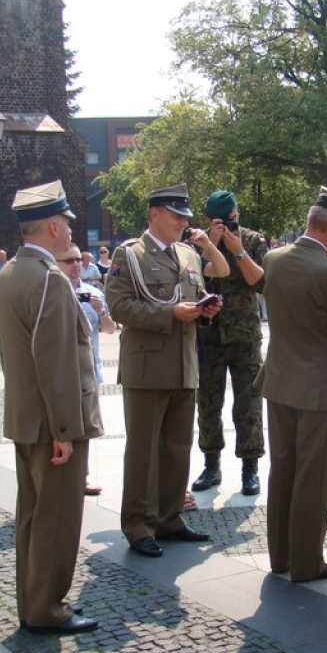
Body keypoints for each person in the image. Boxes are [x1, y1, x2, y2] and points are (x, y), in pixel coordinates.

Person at [0, 180, 102, 634]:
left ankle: (30, 601)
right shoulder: (49, 279)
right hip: (54, 423)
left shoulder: (9, 273)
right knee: (55, 521)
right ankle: (47, 608)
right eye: (68, 225)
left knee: (32, 517)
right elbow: (55, 362)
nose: (71, 234)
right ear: (54, 227)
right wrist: (62, 429)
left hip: (25, 416)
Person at [105, 183, 229, 558]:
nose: (182, 223)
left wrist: (203, 311)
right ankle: (138, 525)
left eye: (185, 217)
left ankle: (170, 518)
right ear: (154, 214)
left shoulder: (189, 256)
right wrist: (169, 313)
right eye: (176, 216)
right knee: (144, 449)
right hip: (146, 366)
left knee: (177, 446)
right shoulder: (129, 255)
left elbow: (193, 298)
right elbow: (119, 307)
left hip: (183, 364)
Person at [254, 187, 327, 582]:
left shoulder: (274, 258)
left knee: (282, 469)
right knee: (312, 476)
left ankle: (280, 556)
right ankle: (306, 562)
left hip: (279, 380)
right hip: (317, 387)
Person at [191, 190, 268, 497]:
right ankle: (212, 465)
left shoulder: (253, 240)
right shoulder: (197, 243)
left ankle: (250, 468)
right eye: (220, 220)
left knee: (248, 403)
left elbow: (262, 284)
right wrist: (211, 244)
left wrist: (238, 251)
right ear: (209, 219)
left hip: (244, 336)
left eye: (231, 218)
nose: (228, 224)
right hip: (208, 335)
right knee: (208, 403)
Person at [57, 243, 112, 496]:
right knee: (62, 424)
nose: (76, 265)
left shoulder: (93, 293)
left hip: (90, 369)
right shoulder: (53, 294)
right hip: (62, 370)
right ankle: (63, 476)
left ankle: (83, 476)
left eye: (78, 260)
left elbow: (111, 329)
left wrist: (101, 312)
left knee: (86, 426)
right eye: (69, 261)